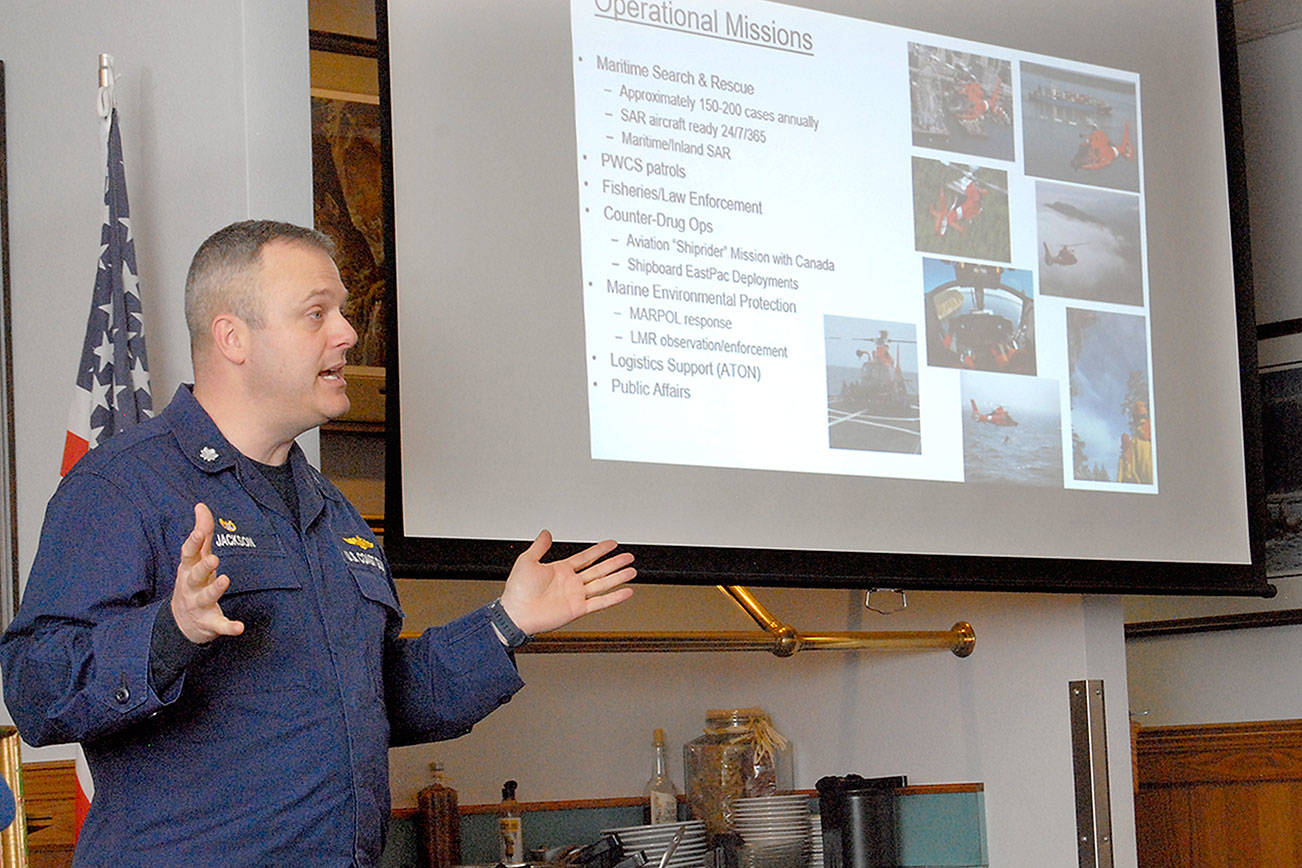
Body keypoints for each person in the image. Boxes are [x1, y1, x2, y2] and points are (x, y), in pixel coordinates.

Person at [0, 220, 637, 866]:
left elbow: (372, 698)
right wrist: (169, 633)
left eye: (342, 311)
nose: (349, 333)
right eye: (316, 313)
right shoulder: (122, 486)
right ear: (233, 337)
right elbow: (34, 691)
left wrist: (506, 623)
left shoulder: (334, 513)